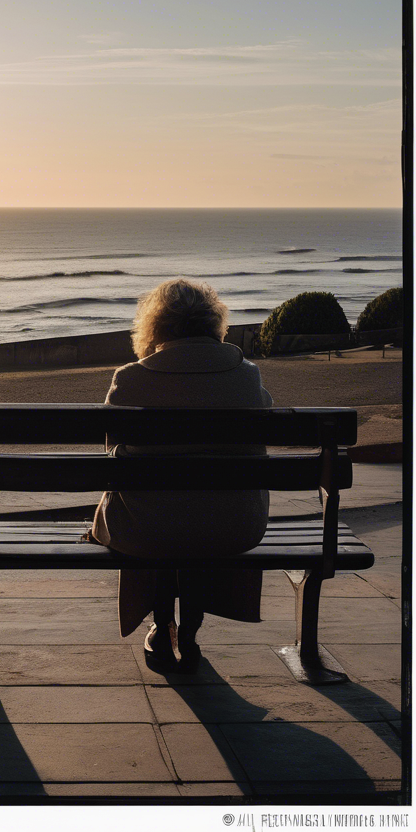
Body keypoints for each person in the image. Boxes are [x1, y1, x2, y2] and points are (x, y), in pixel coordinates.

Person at [89, 278, 273, 672]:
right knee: (201, 510)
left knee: (154, 507)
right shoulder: (247, 375)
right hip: (233, 526)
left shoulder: (131, 377)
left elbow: (110, 450)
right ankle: (187, 632)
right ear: (213, 324)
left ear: (154, 326)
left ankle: (161, 625)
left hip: (147, 529)